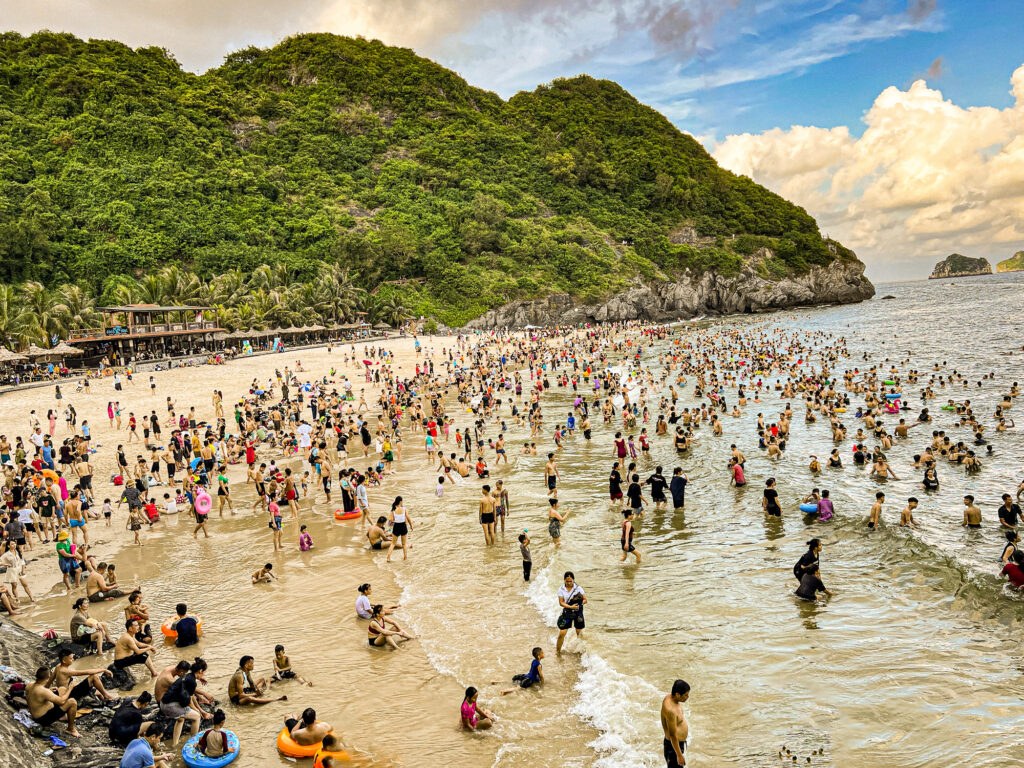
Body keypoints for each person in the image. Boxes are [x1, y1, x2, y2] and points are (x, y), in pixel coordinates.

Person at [48, 647, 119, 704]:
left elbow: (50, 679)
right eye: (71, 658)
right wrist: (103, 670)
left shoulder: (58, 666)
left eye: (73, 657)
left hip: (67, 691)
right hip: (69, 695)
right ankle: (106, 696)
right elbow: (87, 672)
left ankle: (104, 701)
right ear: (64, 661)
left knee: (98, 692)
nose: (73, 659)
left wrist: (45, 689)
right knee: (94, 676)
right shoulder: (65, 671)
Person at [27, 665, 80, 738]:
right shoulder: (43, 691)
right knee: (72, 702)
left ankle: (63, 716)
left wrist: (49, 690)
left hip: (35, 712)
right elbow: (61, 701)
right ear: (48, 678)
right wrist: (70, 688)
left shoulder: (30, 685)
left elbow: (33, 696)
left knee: (61, 689)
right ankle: (71, 729)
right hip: (42, 719)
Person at [661, 679, 690, 768]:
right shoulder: (670, 710)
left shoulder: (670, 697)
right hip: (673, 748)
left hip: (676, 745)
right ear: (677, 694)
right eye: (685, 695)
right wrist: (679, 755)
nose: (687, 697)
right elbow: (672, 735)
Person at [556, 571, 586, 653]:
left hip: (578, 611)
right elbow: (561, 602)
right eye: (567, 581)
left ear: (573, 580)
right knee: (562, 632)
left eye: (570, 581)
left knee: (579, 632)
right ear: (564, 580)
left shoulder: (578, 588)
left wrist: (580, 603)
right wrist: (570, 606)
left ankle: (582, 651)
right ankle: (557, 651)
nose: (569, 583)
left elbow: (585, 600)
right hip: (567, 611)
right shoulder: (561, 589)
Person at [386, 496, 413, 562]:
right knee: (404, 544)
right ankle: (405, 558)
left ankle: (388, 558)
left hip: (396, 526)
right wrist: (411, 525)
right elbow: (408, 518)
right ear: (400, 502)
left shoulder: (393, 509)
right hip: (403, 526)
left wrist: (397, 520)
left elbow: (391, 520)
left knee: (393, 544)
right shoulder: (404, 509)